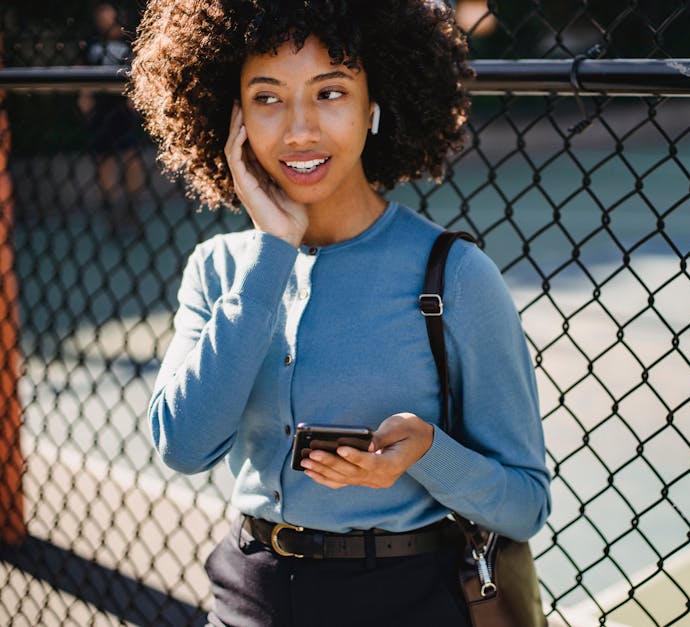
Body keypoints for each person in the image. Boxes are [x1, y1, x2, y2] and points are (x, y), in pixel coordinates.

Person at [129, 1, 551, 625]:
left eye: (330, 91)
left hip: (408, 599)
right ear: (233, 116)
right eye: (267, 98)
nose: (299, 130)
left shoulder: (456, 277)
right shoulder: (218, 269)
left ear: (374, 102)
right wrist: (273, 250)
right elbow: (184, 446)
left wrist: (428, 452)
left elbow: (525, 506)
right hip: (249, 593)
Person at [77, 2, 145, 235]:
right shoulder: (91, 41)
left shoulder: (127, 38)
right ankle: (111, 208)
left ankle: (131, 206)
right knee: (104, 158)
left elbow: (137, 68)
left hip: (121, 105)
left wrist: (134, 97)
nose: (106, 17)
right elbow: (81, 69)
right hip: (101, 106)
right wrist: (84, 96)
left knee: (130, 155)